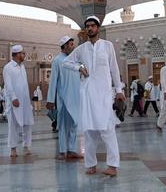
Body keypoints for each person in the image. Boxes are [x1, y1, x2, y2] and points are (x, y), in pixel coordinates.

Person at [63, 16, 125, 177]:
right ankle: (90, 164)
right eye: (88, 26)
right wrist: (79, 67)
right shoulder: (82, 49)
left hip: (104, 94)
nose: (90, 28)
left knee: (107, 129)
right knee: (90, 131)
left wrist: (119, 90)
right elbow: (66, 63)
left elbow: (114, 69)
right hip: (88, 95)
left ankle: (113, 165)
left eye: (92, 26)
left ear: (98, 28)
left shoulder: (107, 46)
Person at [46, 36, 82, 160]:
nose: (73, 46)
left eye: (73, 44)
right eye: (71, 44)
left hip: (76, 97)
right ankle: (62, 151)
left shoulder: (76, 60)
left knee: (74, 123)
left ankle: (71, 150)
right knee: (62, 124)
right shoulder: (57, 60)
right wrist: (50, 99)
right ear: (65, 46)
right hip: (63, 98)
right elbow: (53, 81)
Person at [3, 45, 35, 157]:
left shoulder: (22, 67)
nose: (24, 55)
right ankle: (13, 149)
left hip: (25, 101)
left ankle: (26, 146)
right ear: (16, 54)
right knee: (13, 125)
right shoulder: (8, 67)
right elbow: (8, 84)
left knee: (27, 123)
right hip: (14, 101)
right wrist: (13, 98)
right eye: (22, 53)